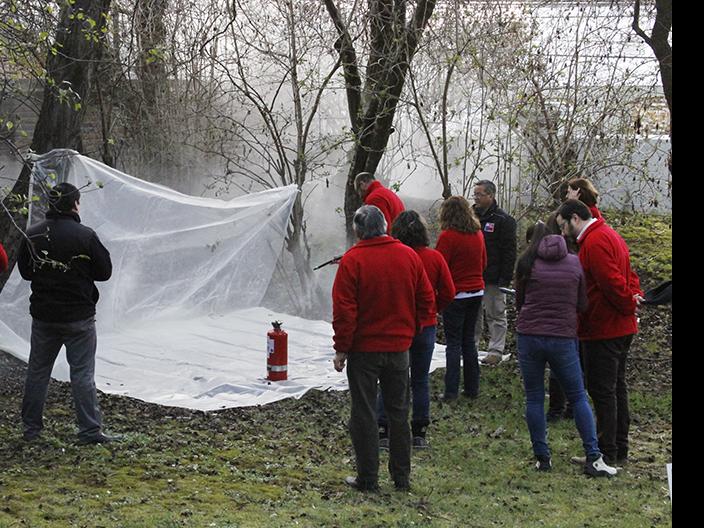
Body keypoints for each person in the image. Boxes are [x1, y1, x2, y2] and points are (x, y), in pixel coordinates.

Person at [332, 205, 434, 492]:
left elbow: (344, 310)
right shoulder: (408, 256)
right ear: (386, 225)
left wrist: (342, 348)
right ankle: (401, 478)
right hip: (399, 348)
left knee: (363, 413)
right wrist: (412, 329)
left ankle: (368, 478)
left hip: (364, 350)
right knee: (399, 412)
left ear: (357, 229)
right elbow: (427, 299)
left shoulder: (353, 260)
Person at [515, 220, 617, 477]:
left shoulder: (527, 263)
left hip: (529, 336)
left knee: (535, 397)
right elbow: (582, 303)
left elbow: (520, 302)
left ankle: (542, 457)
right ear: (560, 236)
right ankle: (593, 456)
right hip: (562, 337)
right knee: (578, 395)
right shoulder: (574, 263)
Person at [17, 182, 117, 445]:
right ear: (74, 204)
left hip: (44, 317)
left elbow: (26, 272)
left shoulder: (34, 235)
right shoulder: (85, 235)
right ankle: (89, 431)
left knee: (38, 372)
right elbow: (105, 272)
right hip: (79, 318)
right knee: (82, 374)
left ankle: (31, 429)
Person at [556, 199, 643, 466]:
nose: (562, 234)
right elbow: (628, 275)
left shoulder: (594, 243)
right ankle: (618, 447)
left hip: (605, 327)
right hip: (617, 325)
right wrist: (633, 297)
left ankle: (607, 452)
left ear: (574, 218)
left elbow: (612, 282)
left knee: (603, 390)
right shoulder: (609, 235)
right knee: (616, 388)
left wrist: (628, 303)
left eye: (562, 227)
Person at [377, 211, 455, 449]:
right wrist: (432, 310)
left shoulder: (392, 257)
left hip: (397, 325)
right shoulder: (434, 258)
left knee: (389, 378)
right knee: (420, 379)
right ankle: (419, 432)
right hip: (425, 326)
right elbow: (449, 292)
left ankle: (383, 429)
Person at [436, 196, 486, 400]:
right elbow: (483, 262)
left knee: (454, 343)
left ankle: (451, 391)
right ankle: (472, 388)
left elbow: (440, 267)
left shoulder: (448, 237)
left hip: (456, 294)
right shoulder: (477, 234)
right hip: (476, 292)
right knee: (469, 342)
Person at [472, 180, 517, 365]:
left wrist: (505, 278)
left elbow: (509, 252)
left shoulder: (503, 220)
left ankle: (495, 350)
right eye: (474, 194)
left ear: (491, 195)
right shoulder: (470, 216)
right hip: (473, 275)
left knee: (496, 313)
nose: (476, 198)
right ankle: (470, 346)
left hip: (494, 277)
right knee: (473, 315)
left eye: (480, 194)